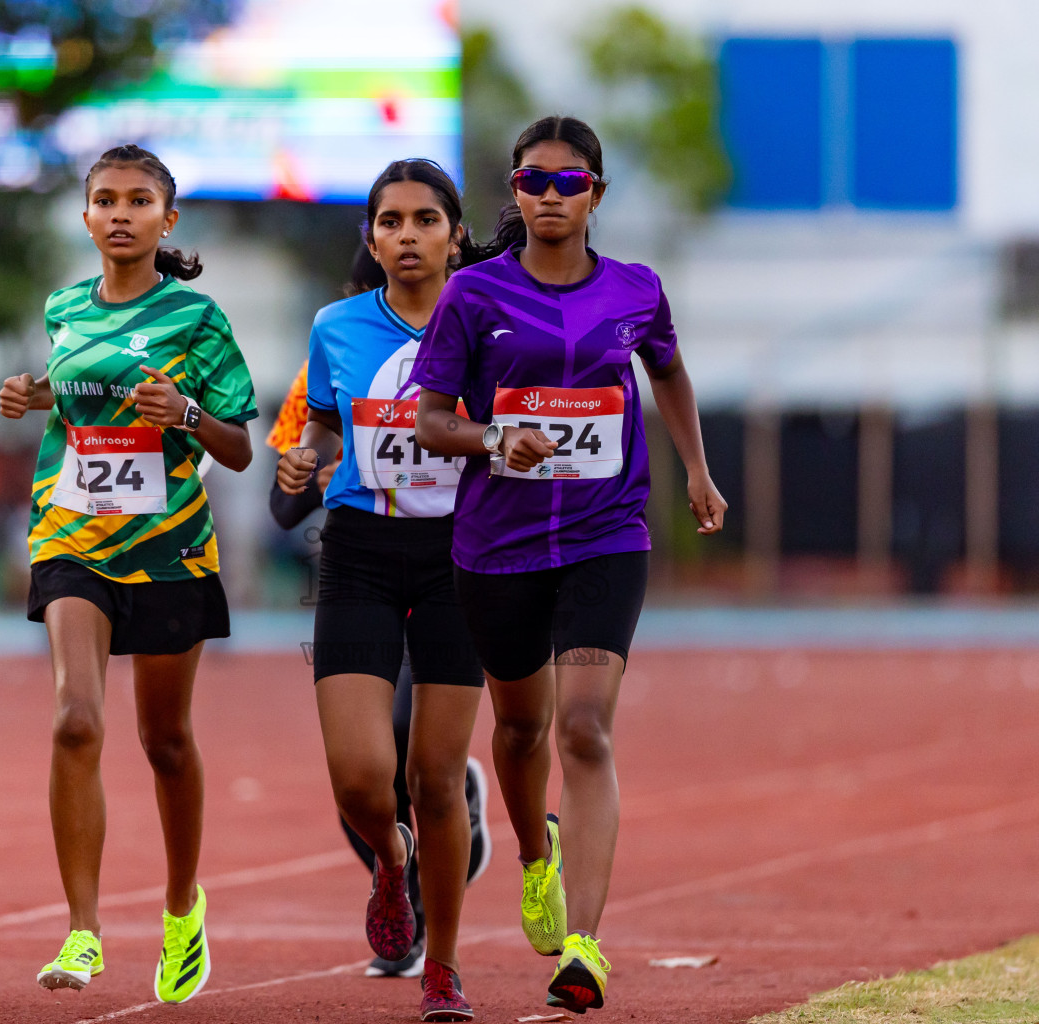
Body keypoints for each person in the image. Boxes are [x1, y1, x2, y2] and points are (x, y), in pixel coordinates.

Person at [413, 117, 727, 1014]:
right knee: (519, 733)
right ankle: (535, 855)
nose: (550, 197)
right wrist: (494, 439)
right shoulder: (472, 296)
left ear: (597, 192)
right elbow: (433, 421)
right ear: (513, 192)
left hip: (605, 534)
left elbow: (667, 372)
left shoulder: (635, 289)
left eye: (569, 182)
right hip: (497, 548)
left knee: (583, 729)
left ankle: (583, 945)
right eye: (533, 182)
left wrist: (699, 472)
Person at [0, 144, 256, 1004]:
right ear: (86, 218)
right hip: (72, 535)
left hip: (170, 547)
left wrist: (185, 411)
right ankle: (83, 930)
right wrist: (33, 392)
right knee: (76, 719)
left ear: (166, 219)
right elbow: (78, 390)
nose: (119, 213)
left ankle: (183, 905)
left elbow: (239, 445)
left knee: (165, 742)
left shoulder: (197, 318)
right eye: (104, 200)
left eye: (138, 200)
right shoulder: (65, 305)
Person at [277, 158, 486, 1021]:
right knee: (362, 779)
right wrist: (308, 456)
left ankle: (441, 965)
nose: (408, 236)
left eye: (425, 221)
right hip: (359, 549)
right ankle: (389, 864)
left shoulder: (493, 322)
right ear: (370, 236)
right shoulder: (336, 327)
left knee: (434, 777)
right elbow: (322, 425)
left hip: (458, 556)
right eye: (391, 222)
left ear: (455, 235)